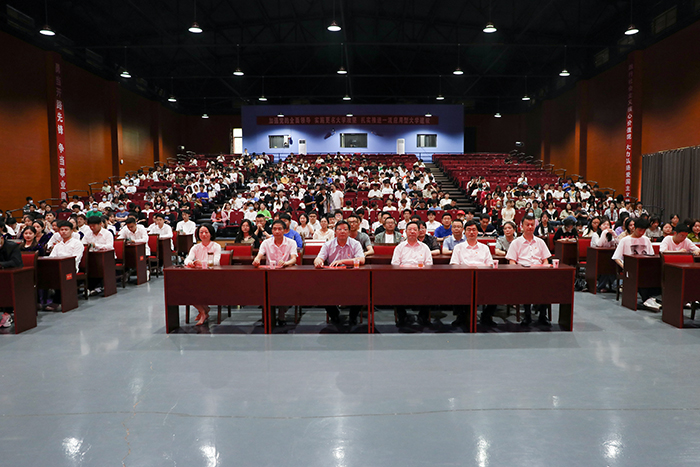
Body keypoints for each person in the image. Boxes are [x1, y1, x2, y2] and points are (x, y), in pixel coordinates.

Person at [314, 220, 365, 326]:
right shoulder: (328, 244)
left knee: (362, 292)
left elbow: (361, 260)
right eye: (339, 229)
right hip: (332, 278)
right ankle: (334, 315)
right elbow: (319, 258)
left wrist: (342, 261)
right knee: (322, 292)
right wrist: (318, 261)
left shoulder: (355, 244)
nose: (342, 231)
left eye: (345, 229)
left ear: (349, 232)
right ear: (335, 231)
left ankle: (353, 316)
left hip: (352, 277)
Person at [506, 215, 552, 326]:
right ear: (522, 226)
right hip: (523, 273)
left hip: (539, 273)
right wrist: (517, 272)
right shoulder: (516, 242)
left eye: (532, 225)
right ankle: (527, 316)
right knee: (526, 284)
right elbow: (512, 261)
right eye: (527, 225)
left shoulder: (540, 242)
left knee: (547, 284)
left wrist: (545, 269)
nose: (530, 227)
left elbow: (545, 260)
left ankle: (542, 315)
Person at [450, 220, 497, 326]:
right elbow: (454, 264)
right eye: (469, 230)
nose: (471, 232)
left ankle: (486, 316)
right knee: (455, 286)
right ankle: (461, 316)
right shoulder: (458, 248)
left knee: (496, 288)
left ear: (477, 232)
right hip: (463, 279)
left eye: (474, 230)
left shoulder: (484, 248)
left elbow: (490, 265)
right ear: (464, 232)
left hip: (482, 279)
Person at [253, 220, 297, 326]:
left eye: (279, 229)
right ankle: (269, 316)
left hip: (286, 275)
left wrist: (286, 263)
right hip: (270, 275)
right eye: (274, 229)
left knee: (284, 290)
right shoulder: (266, 243)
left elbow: (294, 259)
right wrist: (257, 260)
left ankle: (282, 315)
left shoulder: (291, 242)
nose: (277, 231)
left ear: (285, 230)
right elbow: (259, 255)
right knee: (264, 289)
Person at [391, 221, 434, 326]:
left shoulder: (425, 247)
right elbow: (394, 264)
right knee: (396, 289)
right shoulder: (399, 247)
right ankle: (402, 317)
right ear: (405, 232)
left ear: (419, 232)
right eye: (410, 229)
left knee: (430, 288)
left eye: (415, 229)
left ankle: (423, 317)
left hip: (421, 278)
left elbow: (429, 264)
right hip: (403, 278)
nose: (412, 232)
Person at [612, 217, 660, 310]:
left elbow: (651, 255)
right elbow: (616, 257)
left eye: (644, 231)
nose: (641, 233)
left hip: (645, 267)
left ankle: (651, 298)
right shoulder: (625, 240)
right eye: (640, 230)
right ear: (634, 228)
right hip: (630, 268)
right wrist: (625, 267)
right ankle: (647, 299)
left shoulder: (646, 240)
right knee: (639, 275)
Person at [184, 224, 222, 326]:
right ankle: (203, 311)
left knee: (195, 289)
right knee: (185, 290)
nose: (203, 234)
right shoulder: (195, 247)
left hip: (212, 277)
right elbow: (187, 259)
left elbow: (216, 261)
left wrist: (202, 263)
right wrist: (190, 263)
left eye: (206, 232)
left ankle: (204, 311)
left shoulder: (216, 246)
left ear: (211, 234)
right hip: (197, 277)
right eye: (201, 232)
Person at [0, 232, 23, 327]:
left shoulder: (12, 246)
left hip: (15, 275)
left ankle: (7, 313)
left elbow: (16, 262)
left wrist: (1, 264)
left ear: (1, 238)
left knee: (6, 287)